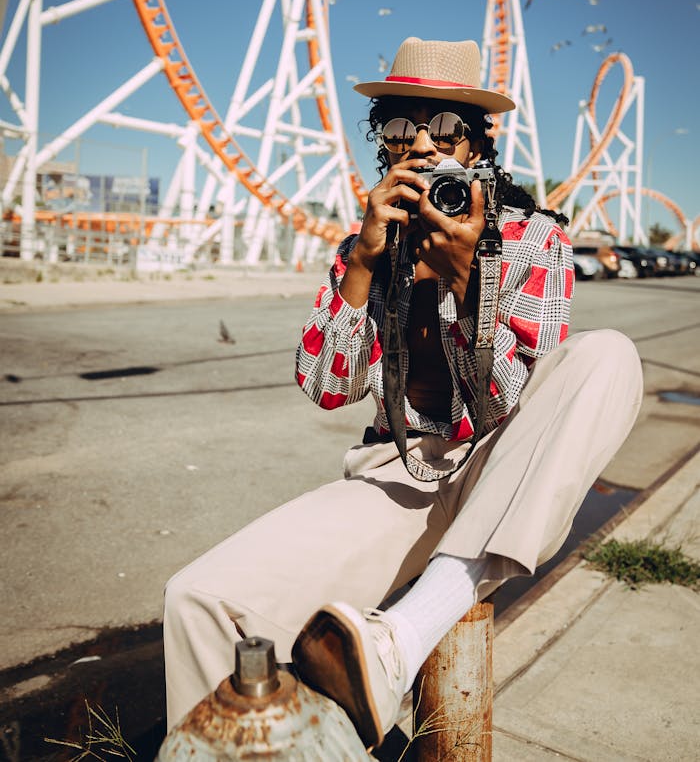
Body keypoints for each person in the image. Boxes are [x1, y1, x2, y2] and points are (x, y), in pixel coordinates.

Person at [163, 37, 643, 748]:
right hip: (397, 470)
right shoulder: (367, 243)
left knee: (609, 355)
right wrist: (361, 260)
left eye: (445, 127)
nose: (421, 143)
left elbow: (499, 398)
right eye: (399, 127)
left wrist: (463, 282)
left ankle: (404, 635)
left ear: (477, 146)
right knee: (198, 600)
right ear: (382, 146)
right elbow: (328, 387)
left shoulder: (533, 239)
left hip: (504, 458)